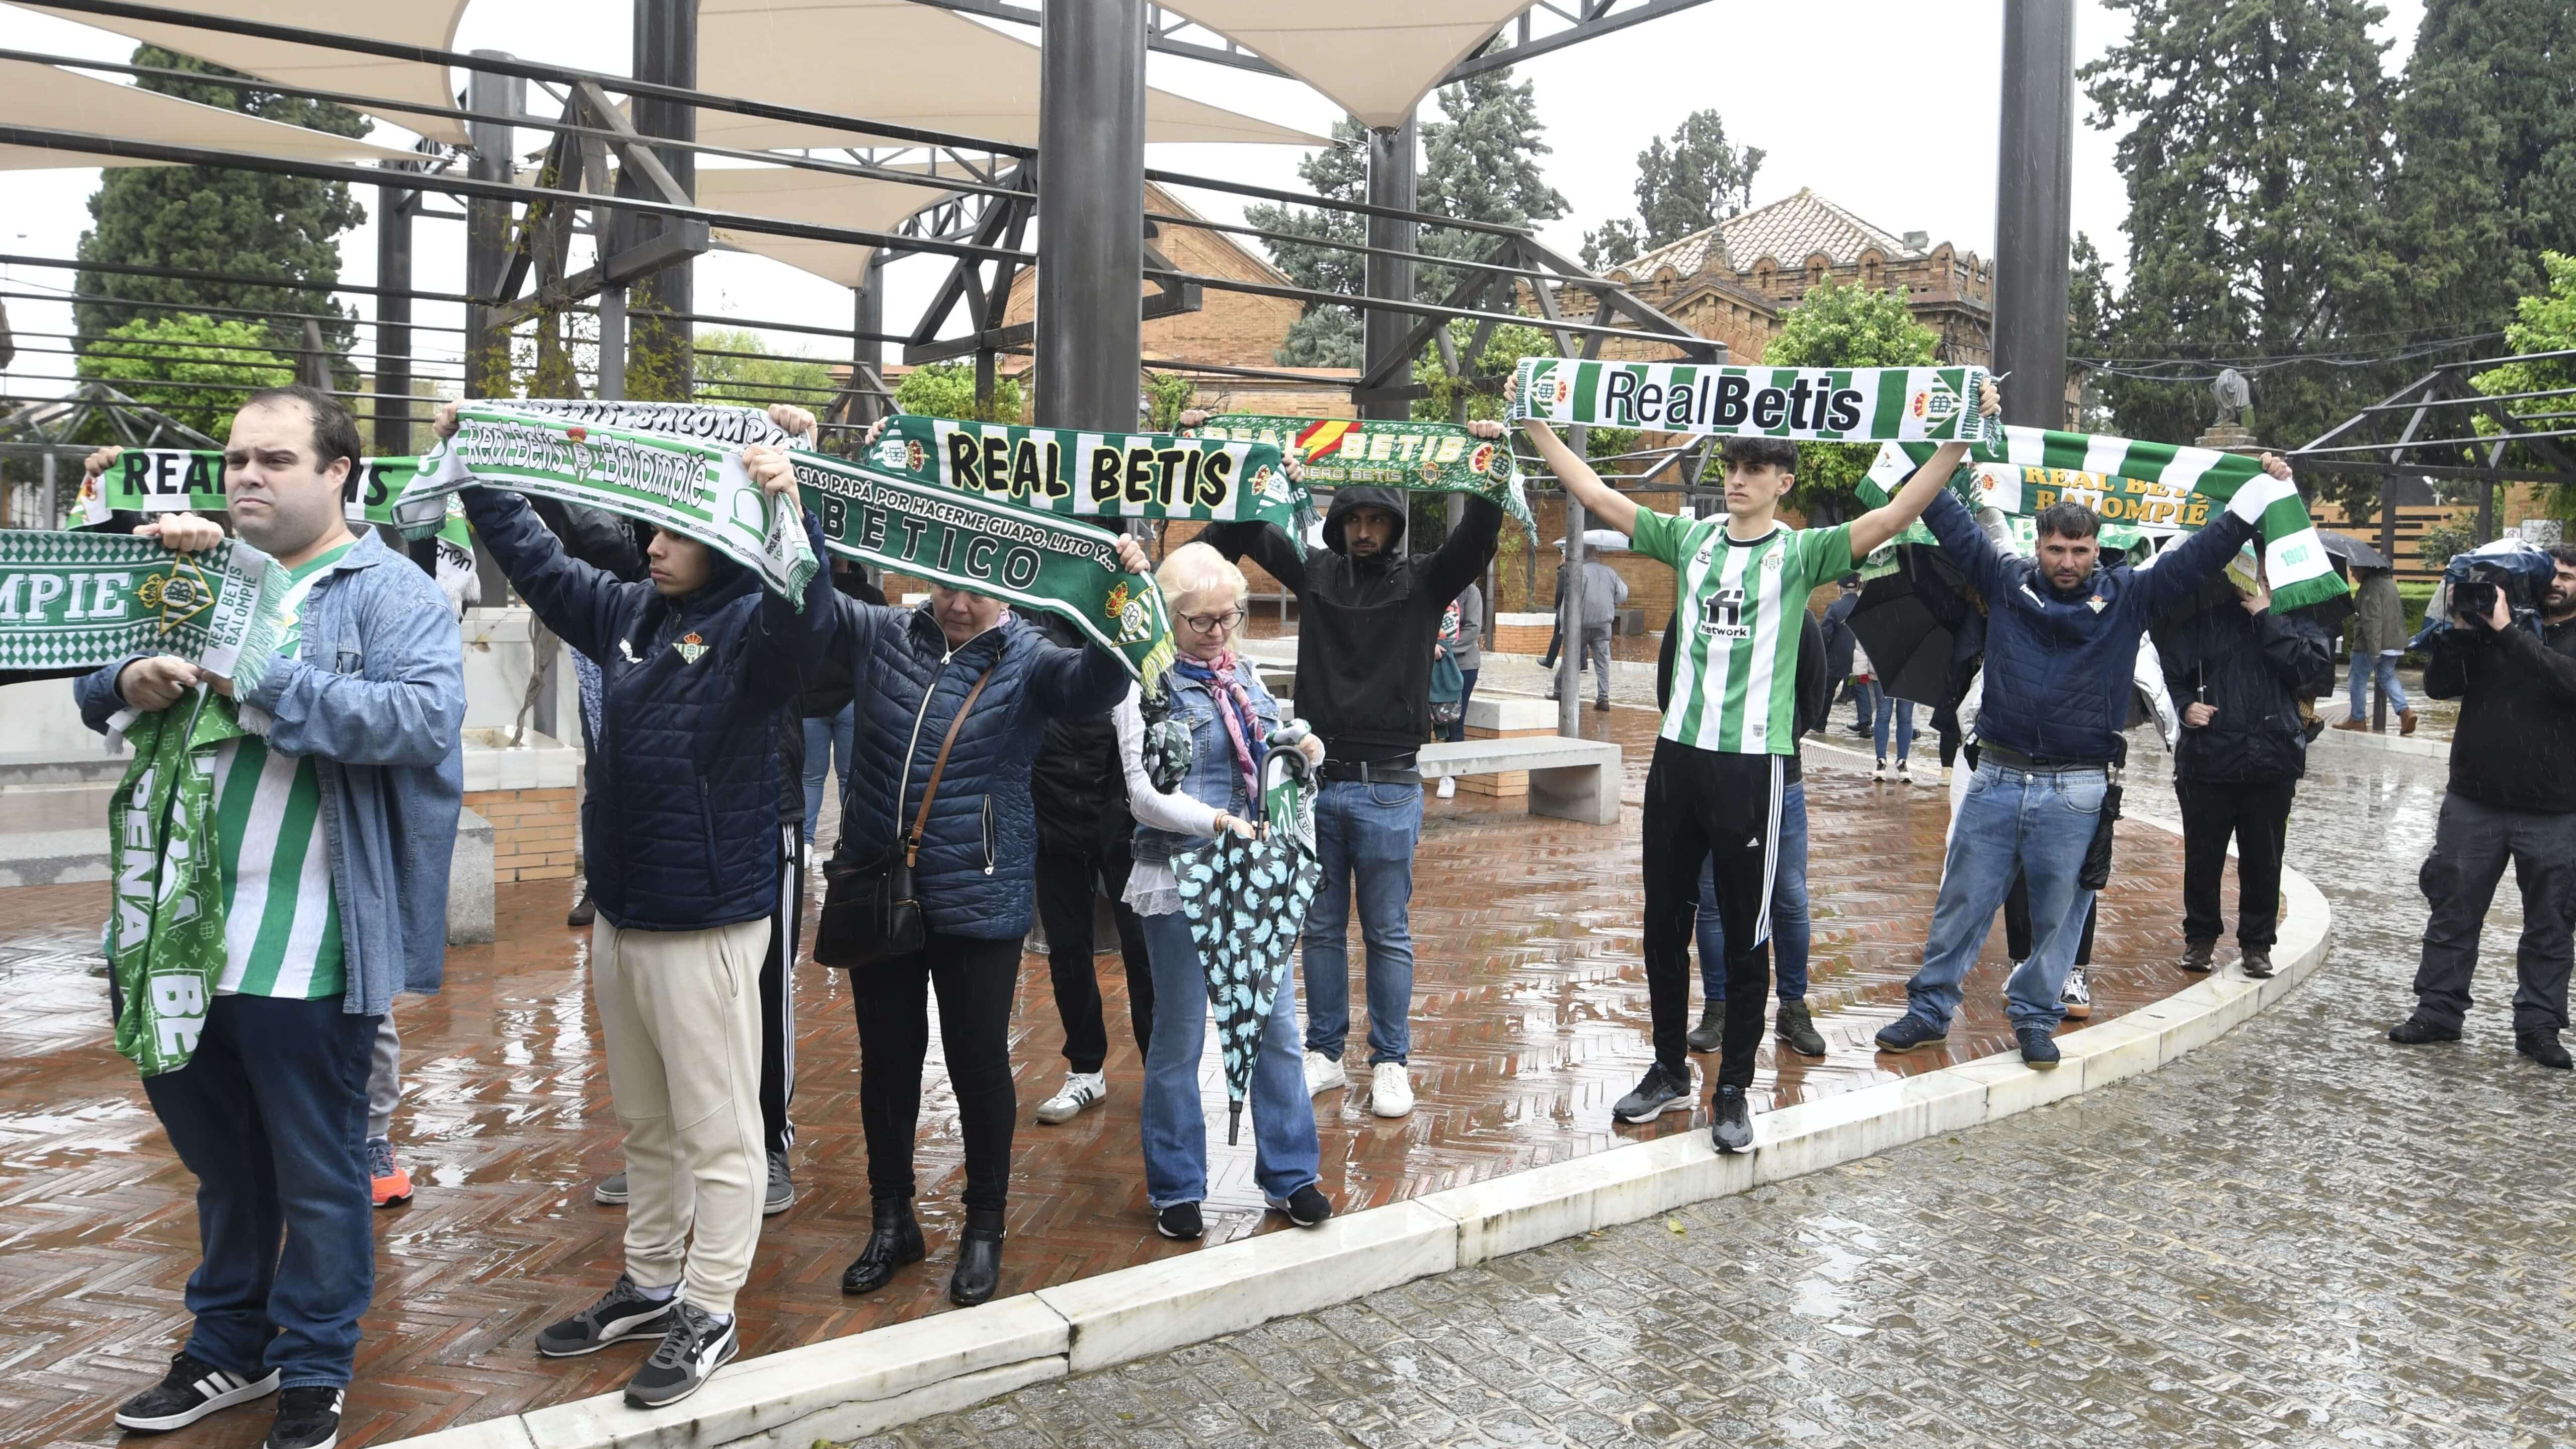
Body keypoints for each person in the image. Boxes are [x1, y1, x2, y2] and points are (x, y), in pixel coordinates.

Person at [87, 386, 465, 1449]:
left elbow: (422, 719)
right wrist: (133, 676)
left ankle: (314, 1364)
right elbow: (92, 685)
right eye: (237, 460)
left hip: (309, 941)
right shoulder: (193, 573)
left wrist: (256, 679)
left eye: (276, 460)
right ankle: (226, 1350)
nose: (247, 476)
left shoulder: (388, 589)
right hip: (173, 935)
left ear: (340, 471)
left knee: (322, 1163)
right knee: (222, 1164)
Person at [440, 402, 831, 1409]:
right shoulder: (626, 614)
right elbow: (535, 559)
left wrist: (794, 512)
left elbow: (810, 615)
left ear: (724, 541)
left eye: (672, 534)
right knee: (647, 1124)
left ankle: (710, 1308)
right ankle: (652, 1282)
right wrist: (478, 461)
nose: (651, 547)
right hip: (622, 915)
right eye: (650, 531)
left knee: (720, 1130)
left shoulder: (755, 631)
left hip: (705, 921)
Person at [1514, 373, 1998, 1152]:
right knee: (1662, 925)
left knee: (1747, 932)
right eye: (1732, 466)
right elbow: (1599, 496)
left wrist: (1957, 440)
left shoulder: (1803, 553)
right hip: (1678, 760)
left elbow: (1898, 513)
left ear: (1784, 482)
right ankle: (1671, 1068)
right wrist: (1536, 424)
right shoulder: (1691, 538)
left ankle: (1732, 1086)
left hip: (1753, 768)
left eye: (1755, 468)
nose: (1737, 479)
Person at [825, 427, 1148, 1305]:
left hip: (983, 896)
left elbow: (1100, 687)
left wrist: (1123, 598)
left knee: (976, 1064)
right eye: (945, 583)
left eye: (978, 587)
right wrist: (793, 497)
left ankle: (984, 1227)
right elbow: (807, 601)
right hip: (883, 889)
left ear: (1012, 584)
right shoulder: (886, 634)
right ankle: (893, 1222)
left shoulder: (1035, 660)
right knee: (886, 1065)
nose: (957, 603)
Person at [1875, 454, 2286, 1067]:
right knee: (1961, 901)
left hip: (2077, 788)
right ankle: (1929, 1010)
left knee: (2063, 915)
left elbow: (2204, 549)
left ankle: (2035, 1019)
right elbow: (1946, 515)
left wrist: (2258, 492)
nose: (2067, 561)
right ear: (2037, 546)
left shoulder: (2131, 596)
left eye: (2080, 549)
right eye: (2057, 549)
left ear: (2097, 550)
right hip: (1996, 776)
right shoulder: (2004, 581)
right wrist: (1921, 451)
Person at [1193, 418, 1505, 1119]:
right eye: (1353, 520)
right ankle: (1326, 1053)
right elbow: (1250, 531)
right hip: (1318, 784)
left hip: (1391, 786)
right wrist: (1229, 457)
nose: (1364, 532)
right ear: (1337, 524)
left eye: (1376, 521)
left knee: (1387, 931)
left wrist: (1488, 464)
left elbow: (1476, 540)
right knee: (1320, 930)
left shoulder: (1426, 584)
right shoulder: (1320, 574)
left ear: (1395, 526)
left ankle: (1391, 1060)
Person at [1115, 543, 1334, 1240]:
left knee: (1277, 1033)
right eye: (1200, 622)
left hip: (1255, 878)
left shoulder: (1244, 672)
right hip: (1181, 877)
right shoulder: (1140, 684)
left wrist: (1304, 745)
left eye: (1228, 618)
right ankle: (1177, 1187)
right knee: (1178, 1040)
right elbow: (1143, 795)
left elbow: (1276, 738)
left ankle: (1292, 1175)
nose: (1217, 633)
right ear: (1169, 619)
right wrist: (1215, 821)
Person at [2389, 545, 2576, 1068]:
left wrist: (2504, 632)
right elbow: (2437, 687)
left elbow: (2565, 680)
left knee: (2551, 923)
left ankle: (2538, 1028)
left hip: (2556, 809)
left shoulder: (2514, 632)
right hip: (2474, 801)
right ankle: (2437, 1012)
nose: (2555, 584)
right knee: (2452, 911)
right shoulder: (2493, 624)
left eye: (2566, 576)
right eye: (2551, 575)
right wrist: (2459, 631)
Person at [2153, 550, 2334, 978]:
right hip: (2209, 759)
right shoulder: (2206, 617)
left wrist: (2268, 616)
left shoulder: (2298, 619)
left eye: (2266, 570)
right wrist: (2185, 707)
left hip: (2272, 760)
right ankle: (2200, 938)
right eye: (2249, 567)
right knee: (2203, 857)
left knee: (2264, 858)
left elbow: (2312, 671)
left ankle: (2257, 944)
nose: (2255, 577)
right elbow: (2169, 671)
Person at [1663, 609, 1831, 1060]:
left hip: (1780, 776)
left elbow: (1813, 700)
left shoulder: (1799, 618)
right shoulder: (1694, 612)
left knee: (1790, 897)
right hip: (1711, 776)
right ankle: (1717, 1006)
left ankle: (1793, 1006)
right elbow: (1670, 690)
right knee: (1713, 897)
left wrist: (1775, 741)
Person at [1027, 608, 1157, 1127]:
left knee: (1142, 951)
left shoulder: (1131, 627)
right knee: (1067, 950)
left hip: (1121, 822)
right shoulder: (1030, 634)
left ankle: (1160, 1073)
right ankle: (1086, 1070)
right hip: (1051, 815)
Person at [2338, 564, 2418, 735]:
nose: (2353, 575)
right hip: (2393, 643)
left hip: (2372, 644)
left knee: (2357, 678)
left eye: (2355, 571)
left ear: (2365, 569)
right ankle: (2405, 712)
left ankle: (2358, 718)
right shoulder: (2388, 582)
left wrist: (2374, 650)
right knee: (2387, 677)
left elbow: (2372, 620)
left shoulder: (2370, 587)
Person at [1548, 556, 1628, 710]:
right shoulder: (1610, 573)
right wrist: (1612, 601)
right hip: (1604, 624)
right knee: (1603, 662)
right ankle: (1603, 698)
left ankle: (1559, 691)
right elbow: (1623, 593)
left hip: (1582, 625)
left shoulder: (1580, 573)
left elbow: (1569, 601)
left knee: (1571, 658)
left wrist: (1564, 627)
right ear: (1597, 556)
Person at [1444, 580, 1484, 744]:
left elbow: (1473, 628)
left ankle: (1454, 766)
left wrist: (1445, 649)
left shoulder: (1471, 592)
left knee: (1455, 722)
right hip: (1438, 664)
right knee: (1438, 720)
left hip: (1463, 665)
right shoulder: (1439, 589)